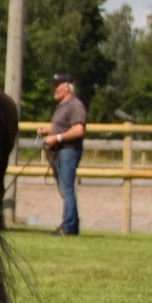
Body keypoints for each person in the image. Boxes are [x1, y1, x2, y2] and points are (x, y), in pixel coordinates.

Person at [39, 72, 89, 236]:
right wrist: (49, 131)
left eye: (57, 85)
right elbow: (64, 127)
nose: (53, 89)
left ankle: (68, 226)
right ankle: (71, 225)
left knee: (66, 189)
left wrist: (57, 137)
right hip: (61, 151)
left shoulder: (75, 105)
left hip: (69, 151)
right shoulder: (63, 106)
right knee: (64, 188)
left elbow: (78, 130)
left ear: (66, 87)